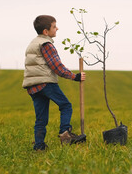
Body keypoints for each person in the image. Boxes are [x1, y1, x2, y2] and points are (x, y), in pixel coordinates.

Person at [22, 15, 86, 151]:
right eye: (54, 26)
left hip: (33, 85)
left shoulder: (32, 43)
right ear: (46, 31)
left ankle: (39, 146)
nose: (57, 28)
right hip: (46, 82)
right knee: (66, 106)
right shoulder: (46, 44)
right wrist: (75, 77)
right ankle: (66, 135)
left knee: (41, 118)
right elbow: (57, 66)